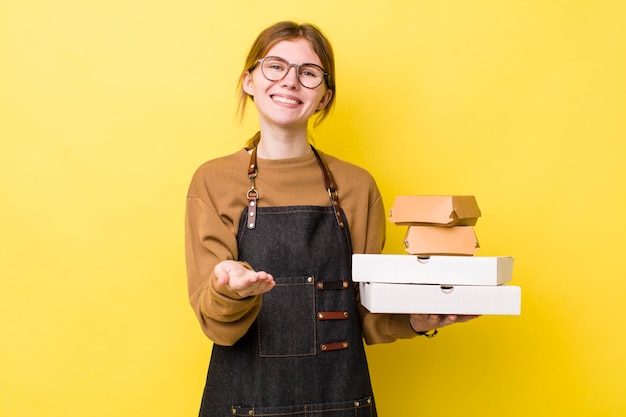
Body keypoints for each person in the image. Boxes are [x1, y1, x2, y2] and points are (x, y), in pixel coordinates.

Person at [185, 21, 477, 417]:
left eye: (308, 73)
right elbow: (215, 323)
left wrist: (416, 317)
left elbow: (366, 312)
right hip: (243, 404)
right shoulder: (214, 180)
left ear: (324, 96)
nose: (290, 81)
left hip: (341, 401)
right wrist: (229, 288)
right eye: (275, 66)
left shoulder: (357, 186)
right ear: (249, 80)